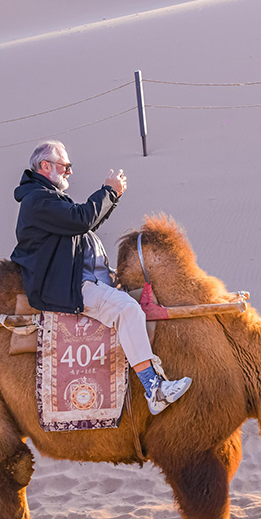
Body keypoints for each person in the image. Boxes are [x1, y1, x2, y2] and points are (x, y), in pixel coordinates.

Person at [10, 140, 191, 415]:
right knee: (128, 310)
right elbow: (81, 220)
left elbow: (83, 223)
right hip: (66, 287)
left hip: (77, 280)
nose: (69, 172)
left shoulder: (46, 198)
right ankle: (154, 388)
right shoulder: (38, 200)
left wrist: (112, 198)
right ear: (45, 166)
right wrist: (109, 191)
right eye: (65, 166)